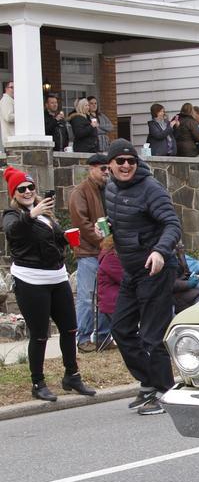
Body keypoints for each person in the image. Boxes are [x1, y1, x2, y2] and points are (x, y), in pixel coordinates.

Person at [2, 165, 96, 401]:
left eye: (30, 187)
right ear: (14, 193)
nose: (27, 192)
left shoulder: (43, 214)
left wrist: (68, 236)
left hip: (57, 276)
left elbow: (54, 240)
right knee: (40, 334)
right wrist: (32, 214)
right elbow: (13, 232)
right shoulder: (13, 216)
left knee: (69, 328)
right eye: (21, 188)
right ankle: (38, 383)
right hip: (30, 280)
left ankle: (72, 375)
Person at [104, 139, 182, 415]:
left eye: (131, 161)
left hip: (156, 269)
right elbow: (122, 220)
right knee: (121, 329)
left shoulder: (151, 189)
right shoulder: (111, 188)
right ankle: (148, 383)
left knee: (151, 334)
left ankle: (164, 391)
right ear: (110, 165)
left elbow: (172, 224)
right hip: (132, 270)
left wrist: (160, 251)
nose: (126, 166)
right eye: (120, 161)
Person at [69, 153, 111, 352]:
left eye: (108, 168)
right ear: (91, 169)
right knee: (87, 296)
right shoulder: (80, 192)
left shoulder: (108, 190)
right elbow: (81, 225)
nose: (106, 172)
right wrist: (103, 242)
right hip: (88, 253)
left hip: (105, 252)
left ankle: (103, 337)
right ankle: (82, 338)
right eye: (103, 168)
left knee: (105, 295)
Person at [97, 235, 122, 341]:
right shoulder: (110, 258)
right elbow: (124, 278)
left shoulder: (110, 256)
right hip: (114, 302)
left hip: (117, 299)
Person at [1, 81, 14, 149]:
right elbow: (8, 117)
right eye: (12, 87)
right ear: (6, 89)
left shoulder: (11, 100)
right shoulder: (6, 100)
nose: (14, 90)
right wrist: (21, 115)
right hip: (10, 139)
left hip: (12, 139)